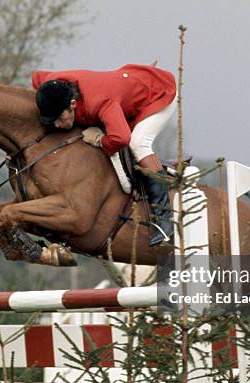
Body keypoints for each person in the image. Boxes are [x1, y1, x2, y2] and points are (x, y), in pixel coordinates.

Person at [32, 64, 177, 246]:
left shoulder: (98, 102)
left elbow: (121, 138)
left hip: (159, 92)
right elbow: (36, 78)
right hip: (126, 82)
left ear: (73, 105)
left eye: (60, 119)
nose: (58, 126)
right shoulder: (50, 85)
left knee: (138, 143)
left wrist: (99, 140)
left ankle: (165, 219)